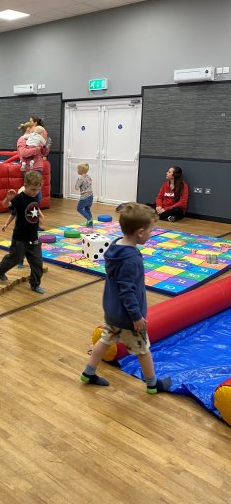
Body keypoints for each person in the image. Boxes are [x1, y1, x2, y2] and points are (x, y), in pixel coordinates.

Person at [80, 203, 172, 394]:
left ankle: (88, 373)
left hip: (112, 313)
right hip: (128, 318)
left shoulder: (116, 246)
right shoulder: (130, 259)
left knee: (104, 340)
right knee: (143, 349)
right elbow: (127, 291)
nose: (151, 234)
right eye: (150, 231)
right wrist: (136, 316)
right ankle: (153, 384)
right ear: (139, 232)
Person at [0, 171, 45, 294]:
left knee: (38, 263)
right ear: (25, 185)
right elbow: (4, 206)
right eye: (33, 189)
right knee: (15, 258)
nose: (35, 192)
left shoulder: (35, 196)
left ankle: (35, 284)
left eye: (38, 190)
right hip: (20, 238)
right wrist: (7, 199)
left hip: (33, 237)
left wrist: (40, 215)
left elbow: (35, 208)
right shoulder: (20, 198)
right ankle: (0, 269)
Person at [75, 162, 94, 227]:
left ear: (81, 170)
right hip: (91, 196)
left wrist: (77, 182)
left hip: (84, 197)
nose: (77, 170)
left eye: (78, 169)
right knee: (87, 209)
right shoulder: (89, 177)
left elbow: (76, 188)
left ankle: (89, 219)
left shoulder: (80, 178)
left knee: (79, 209)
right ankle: (90, 224)